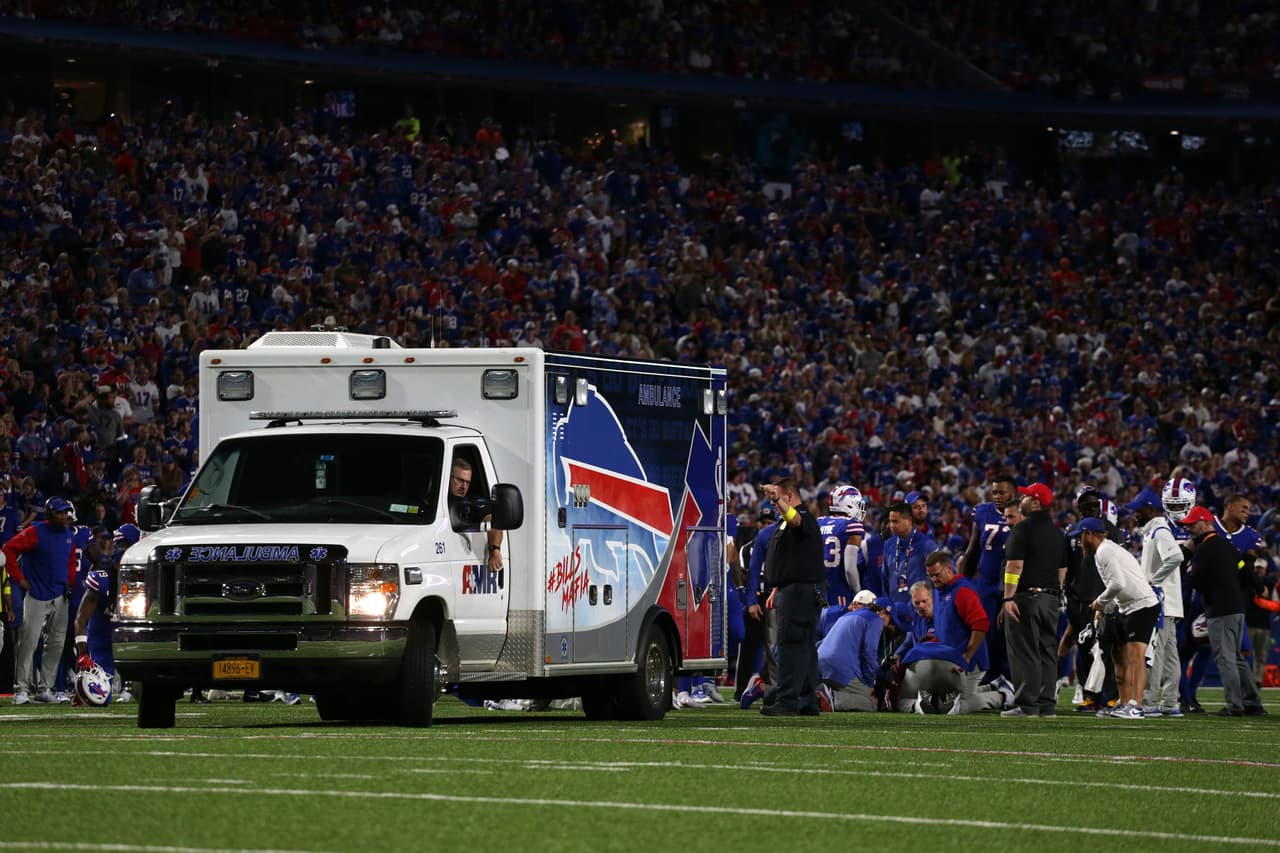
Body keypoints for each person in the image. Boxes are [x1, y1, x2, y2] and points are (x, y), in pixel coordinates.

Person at [1179, 506, 1267, 716]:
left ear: (1205, 523)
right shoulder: (1228, 546)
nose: (1190, 528)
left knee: (1225, 658)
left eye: (1193, 524)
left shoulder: (1204, 550)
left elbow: (1193, 580)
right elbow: (1244, 569)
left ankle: (1235, 705)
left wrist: (1188, 554)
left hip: (1219, 609)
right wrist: (1258, 586)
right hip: (1237, 609)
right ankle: (1253, 702)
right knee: (1236, 657)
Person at [1070, 517, 1160, 719]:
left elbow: (1117, 583)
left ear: (1090, 535)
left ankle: (1136, 706)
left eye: (1080, 537)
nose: (1078, 542)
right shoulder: (1105, 551)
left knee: (1136, 658)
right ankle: (1124, 702)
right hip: (1126, 607)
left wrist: (1100, 602)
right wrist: (1106, 607)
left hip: (1142, 605)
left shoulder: (1105, 551)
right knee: (1119, 659)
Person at [1000, 482, 1069, 718]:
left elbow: (1015, 565)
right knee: (1047, 651)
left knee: (1025, 651)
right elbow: (1063, 569)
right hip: (1051, 598)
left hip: (1026, 597)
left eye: (1026, 497)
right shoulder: (1058, 533)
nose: (1022, 500)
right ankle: (1047, 705)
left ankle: (1027, 705)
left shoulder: (1022, 528)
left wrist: (1008, 597)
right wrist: (1055, 593)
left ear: (1036, 503)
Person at [2, 496, 77, 705]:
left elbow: (70, 560)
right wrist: (19, 579)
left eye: (66, 512)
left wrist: (69, 582)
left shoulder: (68, 534)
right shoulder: (36, 532)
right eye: (60, 512)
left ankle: (45, 688)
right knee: (29, 643)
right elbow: (8, 549)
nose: (64, 516)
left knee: (56, 644)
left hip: (60, 596)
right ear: (50, 513)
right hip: (36, 594)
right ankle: (21, 690)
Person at [759, 477, 824, 717]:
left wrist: (776, 498)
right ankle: (807, 702)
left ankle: (787, 701)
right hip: (794, 589)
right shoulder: (788, 522)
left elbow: (795, 519)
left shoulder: (802, 517)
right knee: (805, 647)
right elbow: (792, 557)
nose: (774, 505)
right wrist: (777, 586)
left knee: (791, 646)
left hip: (799, 593)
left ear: (788, 496)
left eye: (777, 499)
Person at [1126, 486, 1186, 717]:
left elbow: (1176, 557)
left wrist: (1153, 582)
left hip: (1162, 602)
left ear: (1150, 509)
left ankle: (1149, 701)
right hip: (1169, 602)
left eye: (1138, 510)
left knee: (1157, 653)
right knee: (1170, 655)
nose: (1135, 514)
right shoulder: (1156, 529)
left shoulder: (1159, 530)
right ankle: (1171, 703)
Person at [1063, 484, 1122, 712]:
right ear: (1078, 505)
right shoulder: (1071, 532)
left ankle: (1111, 696)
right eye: (1086, 501)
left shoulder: (1110, 530)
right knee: (1084, 647)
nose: (1092, 505)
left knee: (1106, 649)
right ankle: (1089, 697)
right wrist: (1067, 591)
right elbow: (1065, 565)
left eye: (1095, 501)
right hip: (1078, 599)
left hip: (1104, 597)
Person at [925, 550, 1007, 715]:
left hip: (969, 662)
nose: (934, 580)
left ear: (949, 568)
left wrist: (967, 656)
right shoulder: (938, 591)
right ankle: (992, 686)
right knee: (940, 701)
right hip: (951, 661)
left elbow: (981, 624)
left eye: (937, 575)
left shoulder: (963, 591)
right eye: (931, 576)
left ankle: (1003, 696)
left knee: (954, 708)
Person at [72, 523, 142, 705]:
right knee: (100, 698)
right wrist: (83, 653)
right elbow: (81, 618)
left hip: (130, 639)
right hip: (102, 637)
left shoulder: (144, 578)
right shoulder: (100, 579)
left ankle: (132, 685)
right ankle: (82, 688)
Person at [960, 473, 1017, 679]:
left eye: (1002, 492)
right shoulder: (982, 512)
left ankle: (1008, 678)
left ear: (1013, 493)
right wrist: (963, 581)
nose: (997, 496)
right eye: (994, 492)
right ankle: (987, 675)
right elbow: (973, 549)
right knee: (984, 629)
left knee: (1007, 633)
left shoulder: (1021, 513)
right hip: (986, 581)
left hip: (1012, 582)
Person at [815, 589, 889, 712]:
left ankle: (814, 693)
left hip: (819, 664)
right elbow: (868, 654)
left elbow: (822, 644)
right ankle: (832, 698)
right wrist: (871, 683)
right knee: (870, 703)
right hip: (838, 668)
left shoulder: (844, 616)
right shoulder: (873, 619)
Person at [737, 502, 778, 703]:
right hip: (757, 596)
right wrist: (751, 600)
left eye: (770, 522)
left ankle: (765, 684)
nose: (765, 525)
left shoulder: (780, 541)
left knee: (772, 646)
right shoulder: (746, 549)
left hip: (772, 596)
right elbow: (747, 574)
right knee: (748, 647)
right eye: (763, 522)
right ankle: (741, 688)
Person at [880, 501, 937, 615]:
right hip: (895, 611)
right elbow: (885, 578)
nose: (891, 526)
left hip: (919, 610)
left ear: (909, 520)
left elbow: (938, 577)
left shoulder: (926, 544)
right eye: (890, 521)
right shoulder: (888, 544)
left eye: (895, 521)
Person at [448, 458, 502, 573]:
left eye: (467, 482)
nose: (464, 486)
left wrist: (494, 549)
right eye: (460, 480)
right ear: (449, 477)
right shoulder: (434, 501)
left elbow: (493, 522)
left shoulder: (473, 503)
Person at [816, 484, 866, 606]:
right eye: (857, 504)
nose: (859, 508)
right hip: (839, 589)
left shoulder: (819, 522)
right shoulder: (851, 525)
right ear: (848, 504)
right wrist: (858, 591)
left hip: (817, 590)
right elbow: (849, 569)